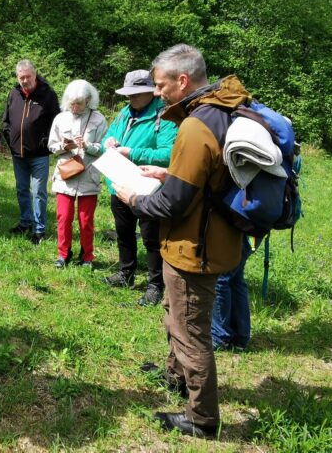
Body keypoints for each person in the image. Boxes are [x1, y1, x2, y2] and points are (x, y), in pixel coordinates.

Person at [113, 44, 251, 438]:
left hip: (196, 247)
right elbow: (201, 181)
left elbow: (174, 204)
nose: (157, 93)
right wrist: (166, 173)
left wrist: (135, 198)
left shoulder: (195, 126)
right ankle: (175, 375)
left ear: (183, 81)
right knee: (176, 313)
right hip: (205, 239)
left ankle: (202, 418)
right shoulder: (221, 112)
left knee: (191, 331)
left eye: (160, 85)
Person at [101, 70, 177, 307]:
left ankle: (155, 285)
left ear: (149, 91)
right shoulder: (125, 113)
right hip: (119, 185)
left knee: (151, 238)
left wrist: (132, 152)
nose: (130, 99)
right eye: (128, 94)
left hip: (147, 189)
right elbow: (109, 137)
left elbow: (169, 153)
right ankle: (126, 274)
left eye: (135, 94)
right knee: (124, 233)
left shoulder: (164, 115)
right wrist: (109, 143)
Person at [47, 80, 108, 268]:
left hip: (88, 176)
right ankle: (63, 254)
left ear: (88, 100)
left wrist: (87, 146)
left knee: (86, 220)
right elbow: (51, 145)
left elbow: (105, 148)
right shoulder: (60, 118)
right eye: (72, 103)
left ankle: (87, 256)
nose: (74, 107)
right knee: (63, 218)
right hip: (65, 176)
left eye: (79, 103)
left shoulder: (99, 119)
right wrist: (64, 146)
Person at [2, 60, 60, 244]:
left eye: (28, 76)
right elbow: (6, 121)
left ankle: (39, 230)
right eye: (21, 77)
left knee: (38, 192)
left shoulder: (48, 95)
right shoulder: (14, 93)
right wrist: (11, 141)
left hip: (39, 155)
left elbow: (56, 123)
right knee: (21, 190)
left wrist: (45, 143)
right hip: (18, 154)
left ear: (35, 75)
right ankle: (25, 222)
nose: (24, 80)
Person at [211, 237, 258, 351]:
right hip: (254, 232)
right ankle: (240, 337)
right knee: (235, 279)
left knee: (221, 278)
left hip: (242, 232)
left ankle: (219, 337)